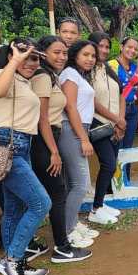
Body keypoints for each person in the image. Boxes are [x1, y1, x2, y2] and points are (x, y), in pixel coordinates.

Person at [0, 41, 51, 275]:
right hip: (6, 143)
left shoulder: (25, 82)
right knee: (40, 203)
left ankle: (16, 261)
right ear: (12, 57)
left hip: (20, 144)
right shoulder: (4, 75)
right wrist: (15, 59)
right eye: (25, 58)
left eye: (34, 59)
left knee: (14, 207)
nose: (31, 63)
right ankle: (12, 260)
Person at [30, 36, 92, 262]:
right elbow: (43, 118)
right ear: (43, 52)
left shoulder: (52, 76)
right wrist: (54, 151)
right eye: (56, 52)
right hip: (45, 140)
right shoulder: (44, 77)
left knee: (56, 193)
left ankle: (59, 241)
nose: (61, 57)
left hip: (52, 137)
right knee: (57, 195)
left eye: (64, 53)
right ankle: (62, 245)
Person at [58, 40, 100, 248]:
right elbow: (70, 108)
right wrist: (83, 138)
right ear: (75, 55)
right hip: (72, 130)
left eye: (93, 56)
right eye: (86, 55)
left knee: (74, 183)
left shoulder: (78, 76)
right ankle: (67, 231)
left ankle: (72, 223)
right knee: (80, 184)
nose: (90, 59)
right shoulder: (69, 75)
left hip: (78, 128)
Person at [88, 32, 125, 224]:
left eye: (106, 47)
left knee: (111, 165)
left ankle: (100, 204)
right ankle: (95, 209)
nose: (103, 50)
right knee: (108, 164)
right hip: (97, 124)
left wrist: (120, 121)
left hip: (114, 124)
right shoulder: (87, 71)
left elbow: (121, 94)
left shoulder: (108, 68)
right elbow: (91, 101)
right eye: (99, 46)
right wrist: (116, 120)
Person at [108, 37, 138, 156]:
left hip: (133, 111)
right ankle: (115, 174)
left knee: (128, 149)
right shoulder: (111, 65)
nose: (132, 50)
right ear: (121, 47)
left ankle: (126, 175)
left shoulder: (136, 67)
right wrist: (117, 117)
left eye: (135, 49)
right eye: (129, 47)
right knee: (116, 146)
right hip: (117, 111)